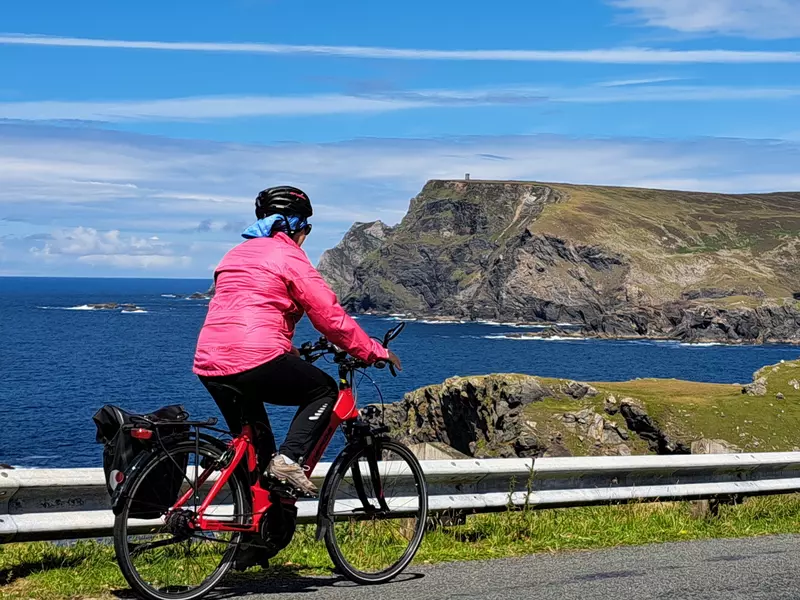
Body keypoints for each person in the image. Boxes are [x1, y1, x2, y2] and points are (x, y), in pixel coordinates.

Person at [193, 185, 401, 500]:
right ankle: (290, 460)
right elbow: (330, 317)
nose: (305, 234)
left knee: (257, 457)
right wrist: (372, 350)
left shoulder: (234, 255)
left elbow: (245, 310)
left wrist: (288, 350)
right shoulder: (289, 255)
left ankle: (256, 531)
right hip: (255, 358)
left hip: (209, 362)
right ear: (291, 224)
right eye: (305, 226)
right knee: (325, 391)